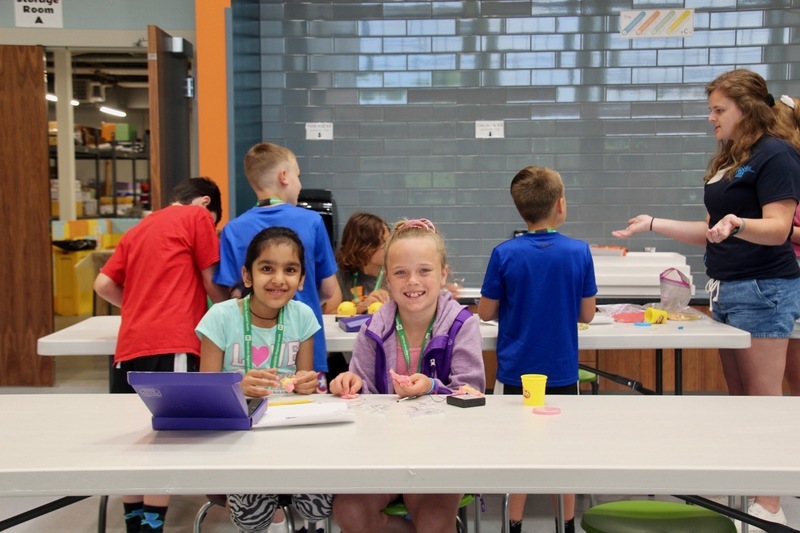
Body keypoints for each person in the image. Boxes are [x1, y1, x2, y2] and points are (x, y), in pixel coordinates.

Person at [612, 69, 800, 532]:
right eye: (710, 110)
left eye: (719, 110)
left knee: (763, 402)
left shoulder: (776, 154)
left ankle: (768, 504)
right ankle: (747, 491)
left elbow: (779, 228)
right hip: (727, 287)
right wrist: (653, 223)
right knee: (740, 401)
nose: (711, 118)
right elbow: (711, 230)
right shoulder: (734, 156)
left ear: (747, 109)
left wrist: (738, 223)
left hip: (764, 288)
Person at [329, 218, 485, 533]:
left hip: (442, 452)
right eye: (401, 272)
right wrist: (348, 384)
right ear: (388, 279)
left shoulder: (461, 325)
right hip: (382, 453)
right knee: (349, 512)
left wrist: (432, 387)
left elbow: (471, 393)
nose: (413, 281)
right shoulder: (373, 329)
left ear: (443, 274)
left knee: (433, 520)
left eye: (424, 270)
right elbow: (359, 397)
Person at [94, 176, 229, 533]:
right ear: (205, 203)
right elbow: (210, 280)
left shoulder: (138, 229)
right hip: (172, 342)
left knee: (136, 439)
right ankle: (151, 528)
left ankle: (134, 526)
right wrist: (232, 312)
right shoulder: (196, 217)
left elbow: (103, 284)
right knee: (166, 439)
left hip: (128, 347)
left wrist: (138, 306)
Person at [477, 166, 597, 533]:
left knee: (519, 451)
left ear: (520, 209)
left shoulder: (504, 254)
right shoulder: (579, 252)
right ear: (560, 204)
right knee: (564, 451)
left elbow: (485, 312)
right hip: (562, 370)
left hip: (517, 371)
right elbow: (587, 314)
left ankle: (513, 523)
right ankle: (567, 523)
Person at [196, 227, 333, 531]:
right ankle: (273, 519)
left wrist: (306, 383)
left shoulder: (303, 316)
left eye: (290, 270)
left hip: (290, 435)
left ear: (301, 280)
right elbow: (205, 394)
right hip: (237, 437)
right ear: (247, 276)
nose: (279, 279)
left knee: (320, 504)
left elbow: (304, 384)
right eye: (267, 268)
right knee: (252, 515)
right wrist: (237, 387)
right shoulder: (220, 317)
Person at [213, 142, 342, 378]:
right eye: (298, 176)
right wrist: (307, 301)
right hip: (302, 347)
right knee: (304, 397)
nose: (299, 184)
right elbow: (328, 289)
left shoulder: (233, 229)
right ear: (284, 176)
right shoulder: (312, 221)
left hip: (245, 351)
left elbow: (232, 295)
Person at [327, 212, 392, 382]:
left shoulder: (394, 273)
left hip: (384, 351)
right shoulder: (340, 274)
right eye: (383, 243)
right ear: (364, 246)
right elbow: (328, 315)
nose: (388, 248)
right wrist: (361, 307)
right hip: (345, 356)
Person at [774, 94, 800, 396]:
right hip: (782, 272)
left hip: (793, 273)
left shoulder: (789, 166)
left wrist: (778, 227)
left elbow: (781, 227)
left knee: (795, 374)